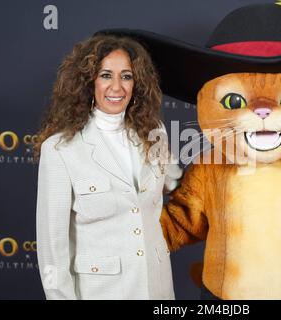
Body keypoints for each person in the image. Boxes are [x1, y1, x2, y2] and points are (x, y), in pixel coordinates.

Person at [34, 35, 181, 300]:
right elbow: (51, 248)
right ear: (89, 81)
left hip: (158, 289)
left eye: (126, 76)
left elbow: (177, 182)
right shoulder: (59, 150)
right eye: (106, 75)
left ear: (137, 83)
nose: (117, 87)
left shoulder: (155, 133)